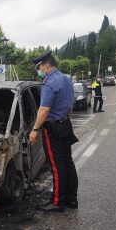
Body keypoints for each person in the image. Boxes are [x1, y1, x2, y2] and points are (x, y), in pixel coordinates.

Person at [29, 51, 79, 212]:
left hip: (54, 127)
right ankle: (71, 199)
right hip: (65, 123)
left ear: (46, 65)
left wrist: (35, 129)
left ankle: (57, 202)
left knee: (57, 166)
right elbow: (70, 104)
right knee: (68, 162)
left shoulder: (49, 82)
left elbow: (44, 110)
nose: (39, 71)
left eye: (39, 67)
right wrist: (64, 117)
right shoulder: (66, 79)